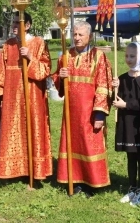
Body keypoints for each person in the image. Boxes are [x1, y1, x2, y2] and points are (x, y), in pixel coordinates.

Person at [52, 21, 113, 196]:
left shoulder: (98, 56)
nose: (77, 38)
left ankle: (92, 182)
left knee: (89, 144)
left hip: (89, 112)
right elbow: (59, 85)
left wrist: (99, 113)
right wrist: (60, 76)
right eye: (75, 34)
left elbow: (103, 85)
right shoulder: (66, 55)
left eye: (81, 35)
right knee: (73, 144)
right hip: (71, 112)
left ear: (90, 36)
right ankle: (75, 179)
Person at [0, 12, 52, 182]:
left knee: (33, 128)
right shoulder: (9, 45)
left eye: (18, 23)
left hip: (33, 96)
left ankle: (35, 170)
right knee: (13, 130)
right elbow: (1, 70)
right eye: (13, 23)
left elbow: (45, 70)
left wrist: (30, 58)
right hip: (12, 97)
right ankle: (15, 169)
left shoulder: (39, 43)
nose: (14, 27)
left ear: (27, 25)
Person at [112, 42, 140, 206]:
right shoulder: (121, 79)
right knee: (130, 157)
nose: (128, 59)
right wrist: (113, 88)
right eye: (126, 55)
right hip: (126, 124)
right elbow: (115, 101)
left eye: (132, 56)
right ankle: (132, 188)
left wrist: (126, 105)